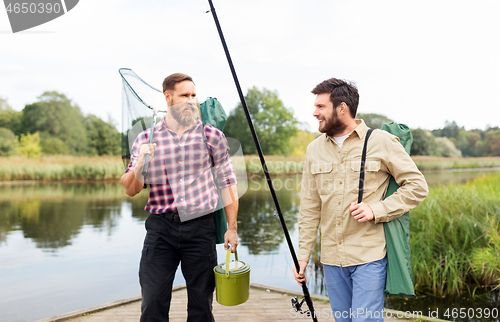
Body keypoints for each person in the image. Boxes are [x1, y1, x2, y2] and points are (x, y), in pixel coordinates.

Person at [293, 78, 428, 322]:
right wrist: (303, 256)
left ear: (342, 108)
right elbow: (310, 208)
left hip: (369, 256)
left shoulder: (381, 142)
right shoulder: (314, 149)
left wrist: (377, 209)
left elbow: (417, 186)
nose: (315, 113)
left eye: (321, 107)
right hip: (332, 259)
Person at [121, 73, 239, 322]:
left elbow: (228, 184)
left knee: (201, 306)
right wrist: (142, 160)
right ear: (168, 97)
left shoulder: (212, 137)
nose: (191, 101)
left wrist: (232, 228)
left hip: (200, 229)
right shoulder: (146, 138)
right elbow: (130, 188)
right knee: (152, 303)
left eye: (194, 95)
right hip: (161, 230)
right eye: (185, 95)